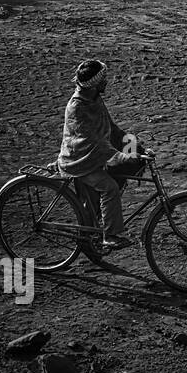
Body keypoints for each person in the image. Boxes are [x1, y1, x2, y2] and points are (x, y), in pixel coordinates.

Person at [56, 60, 143, 252]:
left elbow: (112, 129)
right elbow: (95, 142)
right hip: (79, 161)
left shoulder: (95, 98)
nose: (106, 82)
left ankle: (96, 225)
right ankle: (110, 236)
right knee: (109, 187)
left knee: (119, 175)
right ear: (94, 84)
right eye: (103, 79)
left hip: (93, 157)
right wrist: (122, 156)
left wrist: (135, 146)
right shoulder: (77, 107)